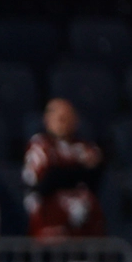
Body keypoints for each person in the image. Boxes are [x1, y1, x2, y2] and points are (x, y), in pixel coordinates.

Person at [23, 99, 105, 240]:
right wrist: (75, 173)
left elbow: (95, 173)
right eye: (60, 118)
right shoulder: (40, 145)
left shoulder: (85, 147)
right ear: (47, 120)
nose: (64, 123)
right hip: (51, 230)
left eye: (68, 118)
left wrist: (64, 173)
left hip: (85, 232)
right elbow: (45, 184)